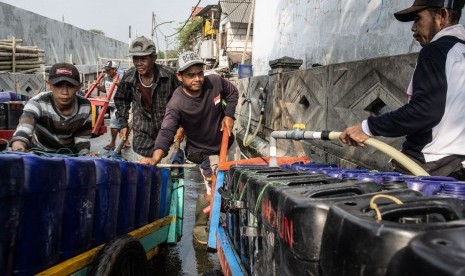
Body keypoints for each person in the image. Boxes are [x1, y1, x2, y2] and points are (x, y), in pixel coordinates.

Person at [339, 0, 465, 180]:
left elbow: (425, 110)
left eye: (417, 18)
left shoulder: (435, 51)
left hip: (430, 164)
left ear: (442, 16)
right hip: (457, 165)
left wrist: (367, 127)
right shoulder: (460, 51)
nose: (413, 28)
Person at [141, 51, 239, 244]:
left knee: (234, 186)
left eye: (199, 73)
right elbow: (167, 131)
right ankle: (200, 227)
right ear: (180, 76)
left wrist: (229, 114)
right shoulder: (177, 103)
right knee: (212, 189)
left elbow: (233, 92)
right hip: (203, 151)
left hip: (226, 143)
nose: (197, 79)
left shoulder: (215, 82)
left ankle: (231, 221)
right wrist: (155, 158)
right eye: (191, 75)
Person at [114, 36, 181, 160]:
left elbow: (184, 102)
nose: (138, 63)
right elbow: (121, 99)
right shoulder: (129, 77)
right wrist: (123, 123)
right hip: (142, 134)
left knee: (167, 172)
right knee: (143, 173)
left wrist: (182, 127)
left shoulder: (169, 75)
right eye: (135, 58)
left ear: (154, 58)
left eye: (143, 59)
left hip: (167, 133)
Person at [10, 63, 92, 155]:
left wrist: (85, 154)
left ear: (78, 87)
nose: (65, 92)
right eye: (58, 85)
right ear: (49, 85)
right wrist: (18, 146)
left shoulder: (84, 106)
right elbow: (24, 128)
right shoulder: (37, 103)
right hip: (40, 154)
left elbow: (82, 137)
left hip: (70, 156)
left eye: (70, 86)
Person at [96, 60, 130, 151]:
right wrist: (98, 87)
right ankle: (125, 141)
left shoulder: (122, 77)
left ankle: (112, 143)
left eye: (108, 70)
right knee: (120, 122)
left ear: (114, 69)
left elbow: (128, 91)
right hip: (111, 103)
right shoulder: (106, 78)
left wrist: (119, 85)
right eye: (106, 70)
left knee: (114, 123)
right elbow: (105, 90)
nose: (107, 72)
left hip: (121, 103)